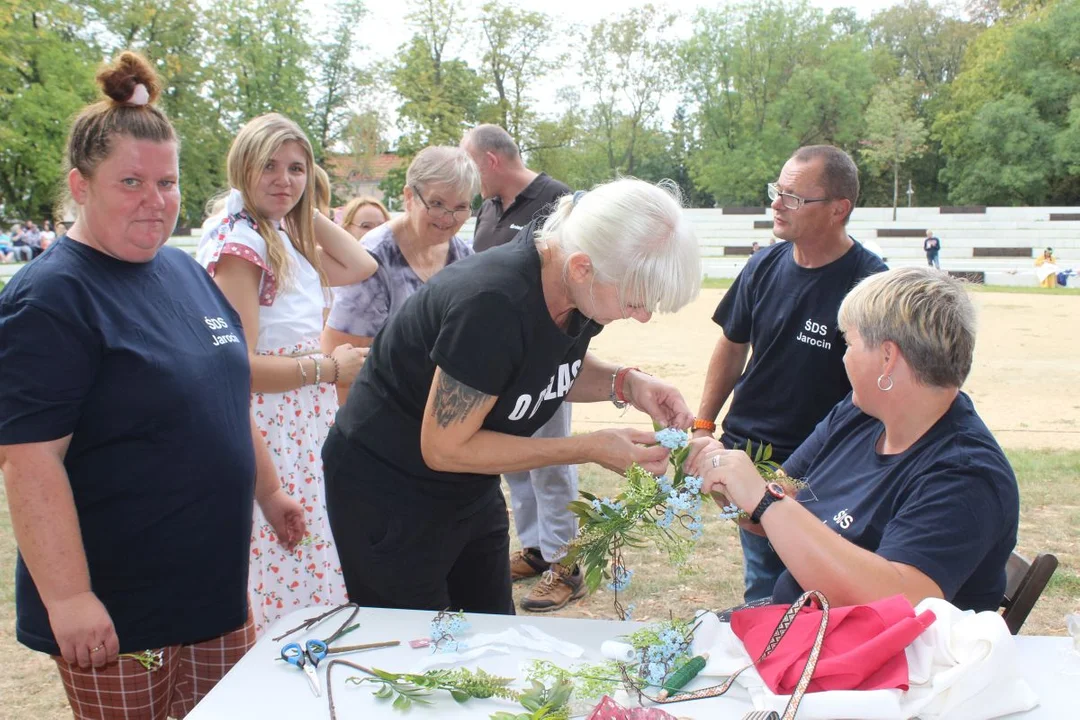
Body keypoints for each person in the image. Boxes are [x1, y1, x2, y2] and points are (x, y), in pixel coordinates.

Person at [0, 51, 304, 718]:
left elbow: (222, 397)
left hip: (214, 596)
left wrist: (271, 490)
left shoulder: (183, 271)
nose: (155, 202)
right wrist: (70, 599)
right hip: (120, 608)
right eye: (131, 183)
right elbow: (29, 463)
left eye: (166, 183)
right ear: (81, 187)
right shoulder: (51, 299)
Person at [323, 178, 701, 615]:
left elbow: (540, 367)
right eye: (636, 301)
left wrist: (628, 383)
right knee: (416, 649)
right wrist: (590, 448)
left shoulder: (576, 288)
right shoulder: (493, 305)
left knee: (490, 632)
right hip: (390, 493)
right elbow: (445, 447)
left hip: (468, 487)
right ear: (582, 267)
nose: (643, 316)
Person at [687, 267, 1019, 613]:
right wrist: (718, 472)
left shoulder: (964, 475)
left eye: (848, 342)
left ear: (888, 358)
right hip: (804, 632)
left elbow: (900, 603)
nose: (843, 356)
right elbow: (774, 503)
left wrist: (763, 499)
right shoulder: (859, 415)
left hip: (882, 660)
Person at [197, 112, 378, 635]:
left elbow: (361, 265)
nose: (284, 179)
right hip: (273, 425)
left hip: (297, 420)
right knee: (283, 559)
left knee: (304, 554)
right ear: (242, 168)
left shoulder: (273, 234)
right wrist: (328, 367)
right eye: (270, 166)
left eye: (297, 168)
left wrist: (304, 208)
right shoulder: (244, 246)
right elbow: (238, 368)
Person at [694, 145, 887, 603]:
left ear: (840, 209)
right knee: (763, 585)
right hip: (748, 458)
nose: (777, 204)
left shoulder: (870, 287)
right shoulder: (763, 265)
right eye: (777, 192)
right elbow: (731, 343)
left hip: (824, 470)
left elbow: (879, 389)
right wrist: (704, 425)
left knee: (815, 590)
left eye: (794, 197)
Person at [460, 124, 584, 611]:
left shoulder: (559, 202)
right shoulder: (488, 208)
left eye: (468, 163)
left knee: (550, 460)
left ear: (490, 160)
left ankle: (566, 566)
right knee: (513, 462)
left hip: (545, 355)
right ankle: (536, 550)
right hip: (496, 362)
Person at [322, 147, 475, 406]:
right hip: (377, 416)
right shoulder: (374, 260)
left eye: (460, 207)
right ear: (408, 197)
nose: (448, 219)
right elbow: (343, 364)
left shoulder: (464, 257)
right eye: (436, 204)